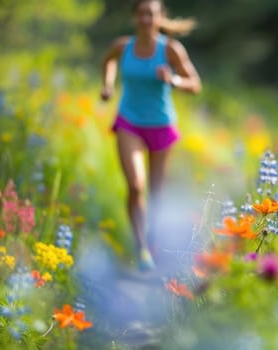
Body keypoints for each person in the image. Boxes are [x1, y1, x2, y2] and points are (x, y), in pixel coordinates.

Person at [100, 0, 202, 271]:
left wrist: (173, 80)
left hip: (161, 125)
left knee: (156, 194)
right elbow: (108, 62)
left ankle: (156, 241)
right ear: (135, 17)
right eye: (142, 13)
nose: (146, 19)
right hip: (129, 122)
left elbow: (195, 84)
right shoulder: (123, 46)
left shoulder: (170, 49)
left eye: (151, 14)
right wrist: (108, 85)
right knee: (136, 185)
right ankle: (142, 247)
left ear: (159, 18)